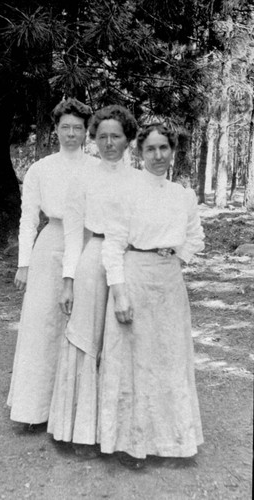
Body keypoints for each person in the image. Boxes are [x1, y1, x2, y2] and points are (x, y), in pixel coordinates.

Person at [99, 122, 205, 469]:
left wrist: (177, 255)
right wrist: (119, 294)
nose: (158, 156)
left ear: (172, 151)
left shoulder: (183, 195)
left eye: (164, 148)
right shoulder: (126, 191)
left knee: (169, 359)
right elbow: (112, 245)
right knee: (135, 361)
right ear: (140, 153)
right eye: (151, 149)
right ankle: (133, 445)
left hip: (169, 284)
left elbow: (195, 237)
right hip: (135, 278)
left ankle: (174, 443)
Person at [47, 105, 139, 456]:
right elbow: (73, 235)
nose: (109, 143)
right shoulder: (82, 179)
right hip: (91, 260)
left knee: (123, 346)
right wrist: (68, 281)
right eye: (102, 137)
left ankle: (120, 436)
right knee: (87, 341)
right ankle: (81, 432)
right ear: (93, 140)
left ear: (128, 138)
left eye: (116, 136)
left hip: (129, 264)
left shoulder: (140, 179)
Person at [7, 98, 99, 429]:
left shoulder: (97, 168)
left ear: (86, 131)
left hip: (88, 244)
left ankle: (77, 413)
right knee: (43, 323)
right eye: (65, 128)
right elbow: (28, 218)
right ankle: (33, 411)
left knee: (81, 324)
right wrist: (24, 263)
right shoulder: (41, 169)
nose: (71, 134)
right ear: (55, 129)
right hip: (50, 245)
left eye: (78, 128)